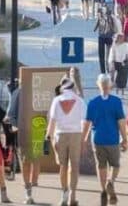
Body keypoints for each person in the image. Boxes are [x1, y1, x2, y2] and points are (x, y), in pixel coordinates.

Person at [83, 74, 128, 206]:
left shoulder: (92, 102)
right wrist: (124, 138)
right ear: (110, 85)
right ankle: (111, 181)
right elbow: (121, 122)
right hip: (112, 138)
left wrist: (84, 139)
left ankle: (103, 190)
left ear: (98, 85)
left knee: (101, 165)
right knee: (115, 165)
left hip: (97, 138)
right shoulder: (116, 101)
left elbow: (87, 123)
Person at [46, 78, 86, 206]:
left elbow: (52, 123)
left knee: (63, 166)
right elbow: (85, 121)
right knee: (74, 166)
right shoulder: (80, 101)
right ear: (73, 87)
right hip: (76, 134)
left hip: (60, 134)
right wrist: (84, 139)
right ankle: (72, 196)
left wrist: (49, 138)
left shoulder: (56, 101)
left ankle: (64, 195)